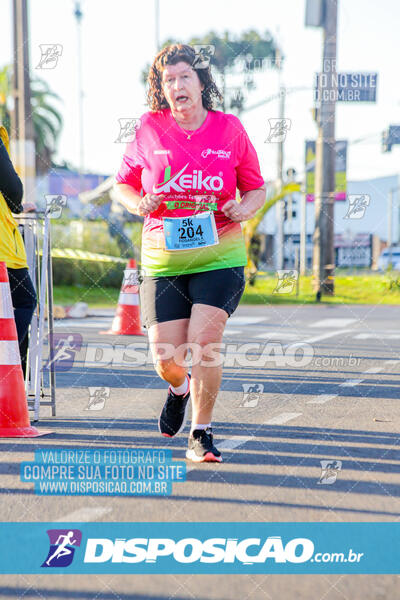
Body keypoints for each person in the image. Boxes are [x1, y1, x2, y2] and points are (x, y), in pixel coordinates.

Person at [114, 44, 265, 463]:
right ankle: (177, 388)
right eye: (169, 80)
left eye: (184, 77)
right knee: (168, 358)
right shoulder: (148, 127)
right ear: (161, 88)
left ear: (201, 83)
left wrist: (245, 207)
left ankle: (201, 432)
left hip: (221, 252)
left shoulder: (229, 128)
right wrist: (136, 203)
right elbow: (122, 183)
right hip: (163, 256)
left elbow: (256, 187)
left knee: (205, 342)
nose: (177, 85)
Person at [0, 125, 37, 376]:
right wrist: (18, 205)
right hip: (3, 248)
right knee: (24, 300)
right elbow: (12, 189)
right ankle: (7, 367)